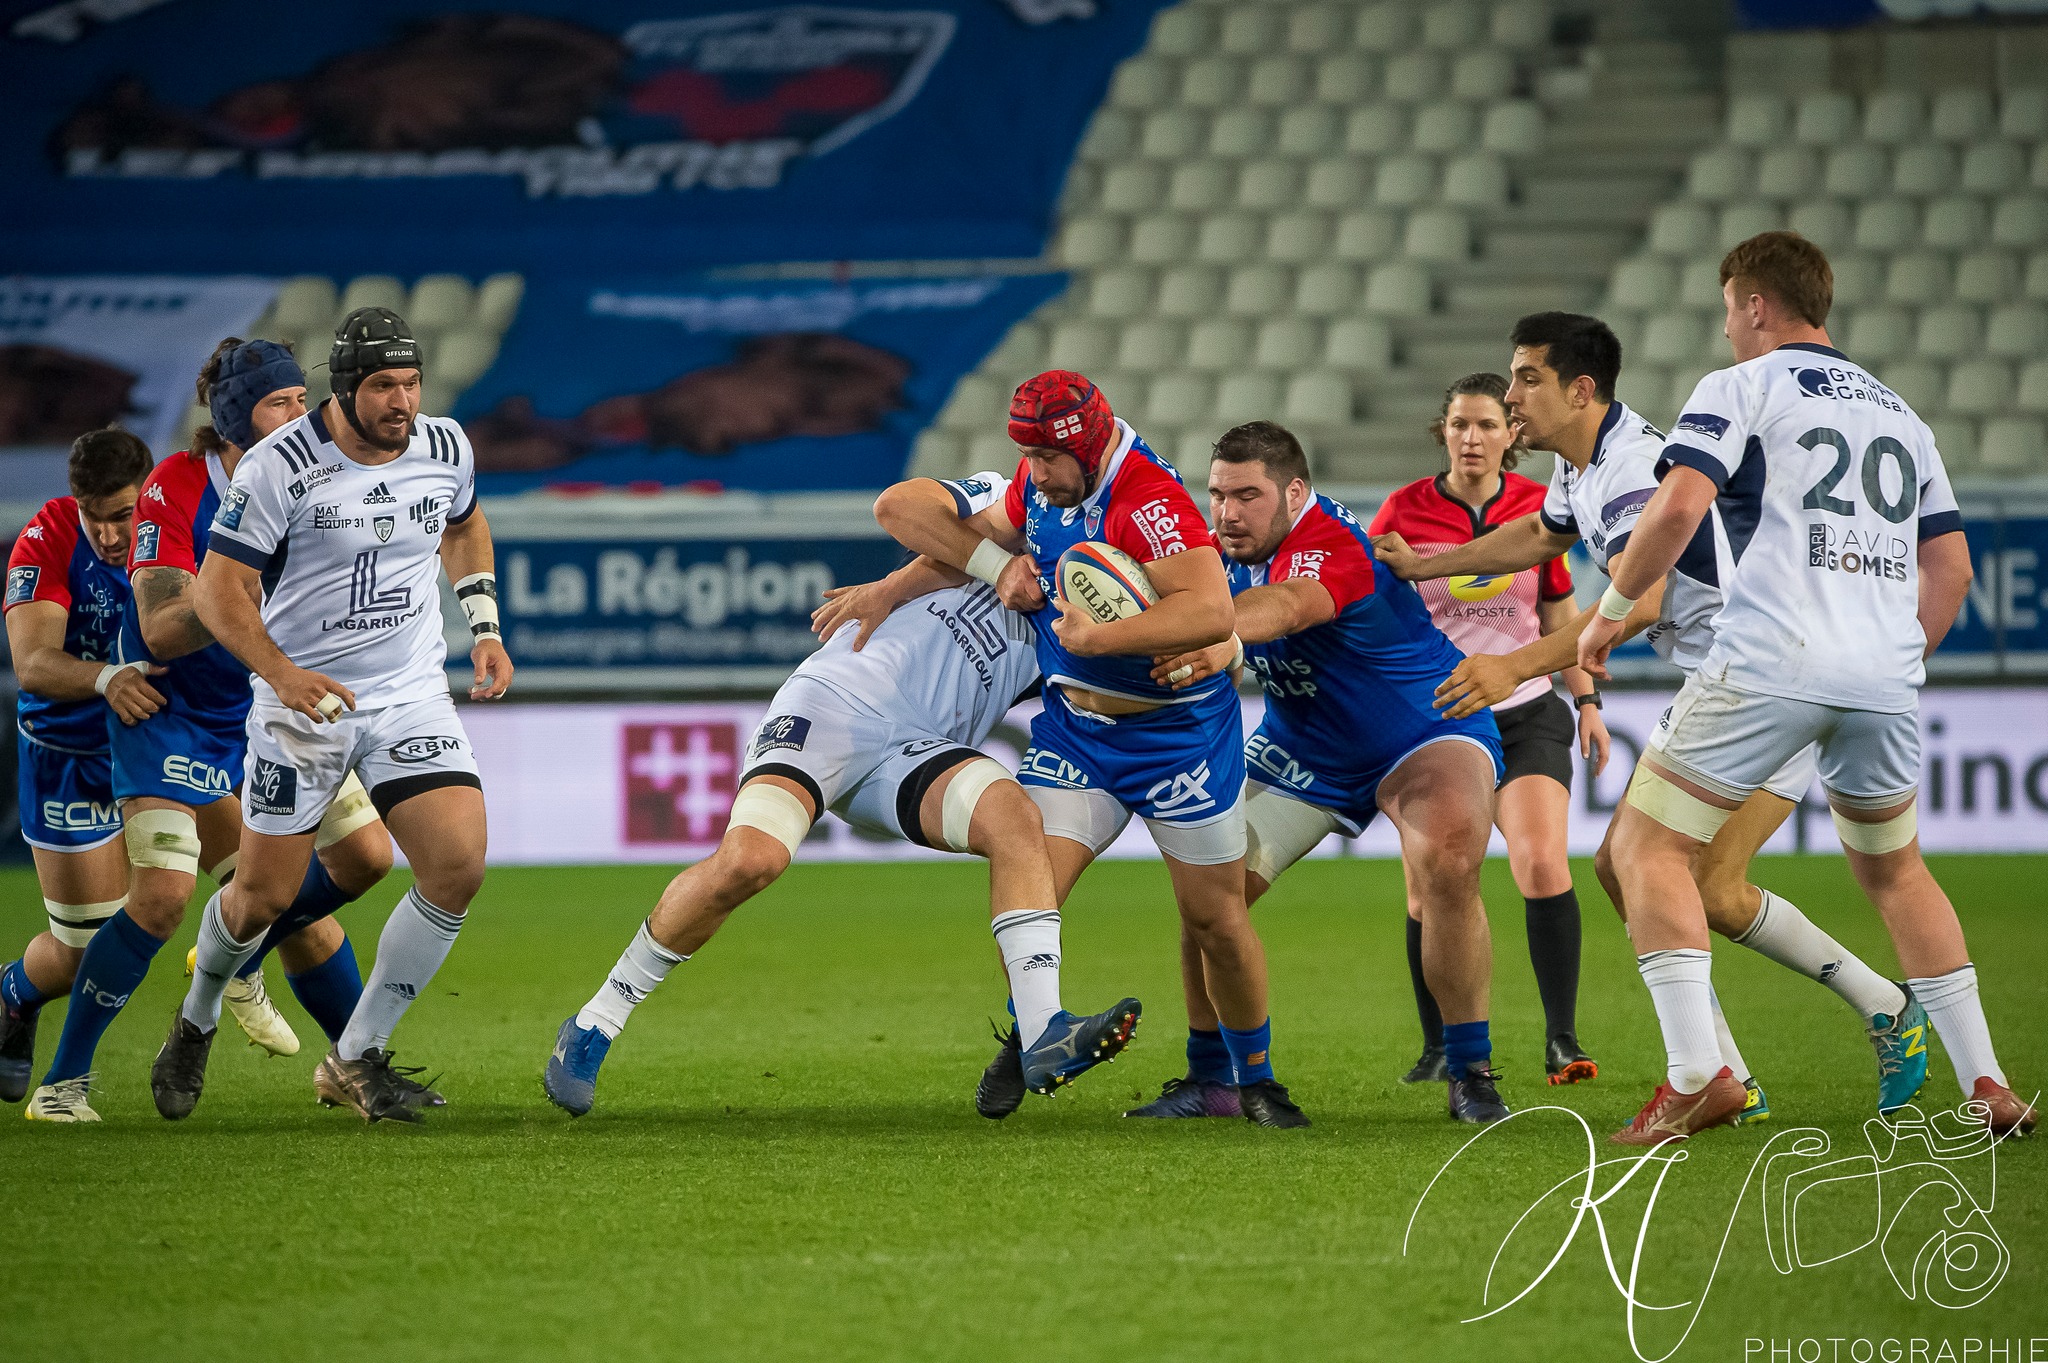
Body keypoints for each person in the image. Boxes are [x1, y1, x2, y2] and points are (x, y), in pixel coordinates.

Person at [1377, 310, 1934, 1127]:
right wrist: (1432, 562)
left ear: (1581, 389)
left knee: (1674, 875)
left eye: (1526, 378)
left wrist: (1517, 664)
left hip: (1760, 683)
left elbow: (1648, 597)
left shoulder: (1637, 465)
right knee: (1656, 875)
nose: (1511, 394)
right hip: (1730, 681)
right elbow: (1536, 536)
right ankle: (1768, 1055)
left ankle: (1851, 1021)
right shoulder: (1581, 464)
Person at [1578, 232, 2032, 1142]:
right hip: (1883, 676)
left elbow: (1677, 507)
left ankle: (1699, 1077)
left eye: (1727, 310)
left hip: (1771, 658)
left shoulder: (1742, 386)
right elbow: (1951, 568)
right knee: (1898, 873)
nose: (1728, 328)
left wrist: (1606, 614)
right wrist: (1897, 660)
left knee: (1644, 851)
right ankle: (1988, 1083)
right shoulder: (1904, 416)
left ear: (1752, 304)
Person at [543, 470, 1142, 1118]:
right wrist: (990, 566)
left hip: (919, 749)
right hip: (835, 701)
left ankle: (1042, 1030)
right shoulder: (1012, 504)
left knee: (1014, 819)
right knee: (749, 862)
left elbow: (1107, 690)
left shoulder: (1095, 616)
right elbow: (903, 506)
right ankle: (596, 1020)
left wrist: (1189, 653)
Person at [873, 372, 1310, 1128]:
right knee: (1034, 882)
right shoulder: (1043, 483)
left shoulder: (1152, 501)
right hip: (1078, 735)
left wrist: (1097, 637)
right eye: (1028, 456)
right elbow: (904, 511)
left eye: (1047, 457)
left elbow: (1209, 611)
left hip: (1181, 741)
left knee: (1216, 919)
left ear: (1086, 443)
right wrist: (915, 582)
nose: (1034, 473)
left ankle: (1254, 1080)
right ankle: (1036, 1035)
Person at [152, 306, 513, 1125]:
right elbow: (217, 590)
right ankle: (199, 1013)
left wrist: (483, 623)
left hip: (409, 691)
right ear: (344, 390)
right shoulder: (280, 466)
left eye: (411, 383)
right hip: (299, 710)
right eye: (383, 385)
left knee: (457, 865)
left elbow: (463, 523)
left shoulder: (446, 445)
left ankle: (353, 1056)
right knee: (258, 900)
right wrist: (283, 673)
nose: (402, 402)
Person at [1147, 421, 1510, 1125]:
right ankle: (1213, 1076)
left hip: (1424, 728)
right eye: (1218, 494)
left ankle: (1472, 1070)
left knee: (1449, 857)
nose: (1228, 512)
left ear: (1294, 492)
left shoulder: (1333, 542)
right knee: (1208, 894)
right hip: (1303, 750)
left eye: (1248, 495)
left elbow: (1286, 607)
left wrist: (1209, 626)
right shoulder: (1213, 553)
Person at [1367, 374, 1609, 1087]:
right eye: (1459, 425)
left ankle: (1561, 1039)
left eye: (1486, 426)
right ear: (1441, 431)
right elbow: (1379, 613)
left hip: (1529, 708)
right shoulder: (1403, 509)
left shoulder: (1542, 507)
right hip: (1438, 720)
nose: (1471, 439)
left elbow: (1559, 611)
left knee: (1540, 863)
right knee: (1426, 889)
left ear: (1511, 436)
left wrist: (1587, 701)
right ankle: (1439, 1044)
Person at [0, 430, 158, 1120]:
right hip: (69, 758)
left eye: (122, 514)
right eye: (94, 513)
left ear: (147, 494)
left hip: (155, 747)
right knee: (84, 947)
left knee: (256, 882)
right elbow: (33, 662)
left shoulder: (179, 524)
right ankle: (14, 992)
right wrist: (106, 677)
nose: (108, 532)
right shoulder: (46, 536)